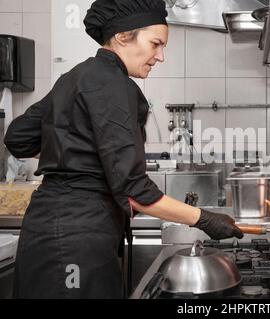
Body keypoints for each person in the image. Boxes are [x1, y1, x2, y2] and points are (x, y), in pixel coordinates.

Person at [4, 0, 243, 299]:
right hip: (76, 241)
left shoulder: (74, 78)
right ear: (121, 36)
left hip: (46, 231)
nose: (161, 56)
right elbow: (133, 189)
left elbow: (17, 138)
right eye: (156, 44)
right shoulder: (113, 84)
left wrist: (80, 153)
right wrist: (202, 218)